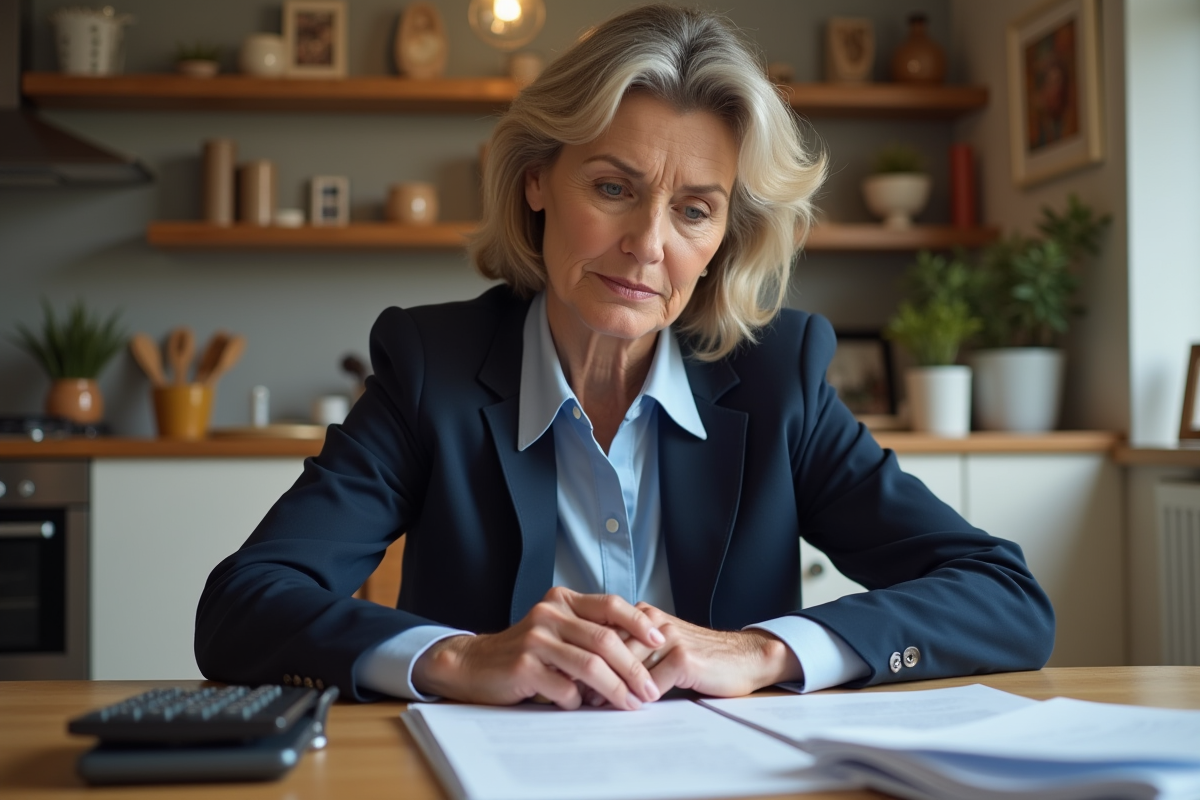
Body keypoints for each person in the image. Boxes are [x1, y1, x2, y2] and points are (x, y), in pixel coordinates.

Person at [196, 4, 1054, 710]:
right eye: (613, 188)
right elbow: (242, 608)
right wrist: (459, 660)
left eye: (693, 210)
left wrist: (762, 653)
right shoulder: (434, 368)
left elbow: (1004, 598)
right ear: (538, 181)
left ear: (724, 237)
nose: (648, 245)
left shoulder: (777, 379)